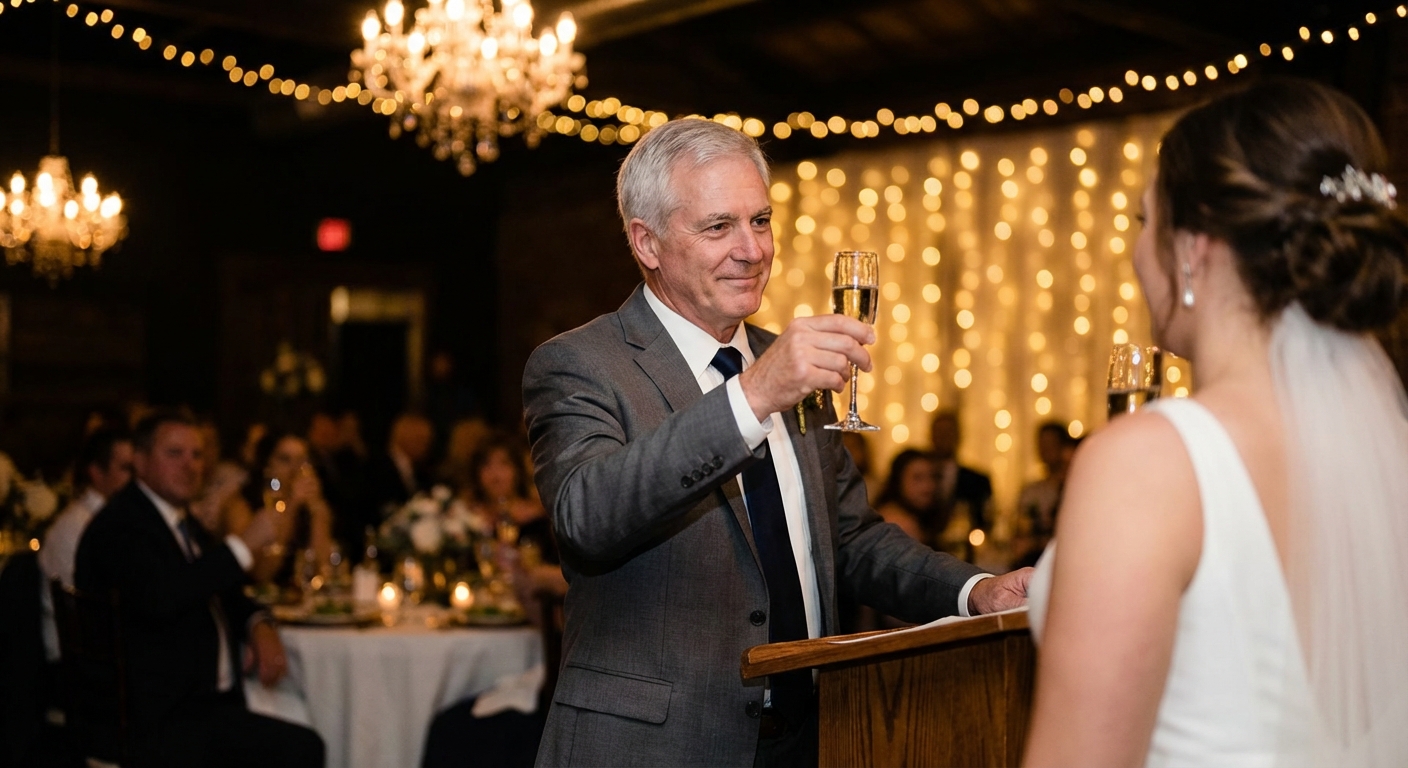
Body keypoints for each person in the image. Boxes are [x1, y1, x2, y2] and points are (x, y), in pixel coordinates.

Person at [522, 118, 1029, 768]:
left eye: (760, 221)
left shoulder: (784, 364)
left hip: (814, 739)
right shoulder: (582, 364)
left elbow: (849, 540)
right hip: (653, 746)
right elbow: (587, 518)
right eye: (718, 227)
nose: (752, 249)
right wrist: (753, 395)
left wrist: (976, 592)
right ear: (646, 242)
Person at [1024, 79, 1408, 766]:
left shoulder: (1148, 463)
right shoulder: (1385, 448)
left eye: (1145, 222)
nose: (1137, 252)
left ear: (1193, 249)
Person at [74, 409, 325, 768]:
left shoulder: (177, 519)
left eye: (197, 454)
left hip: (196, 707)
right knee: (301, 746)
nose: (190, 465)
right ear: (141, 462)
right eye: (174, 454)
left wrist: (258, 622)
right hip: (154, 721)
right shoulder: (121, 526)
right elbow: (165, 596)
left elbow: (222, 588)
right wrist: (243, 545)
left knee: (299, 720)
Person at [38, 426, 133, 659]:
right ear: (96, 473)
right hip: (77, 659)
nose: (135, 479)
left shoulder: (111, 518)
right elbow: (95, 611)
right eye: (126, 469)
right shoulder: (82, 526)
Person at [222, 431, 335, 588]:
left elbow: (321, 570)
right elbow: (262, 574)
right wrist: (291, 506)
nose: (295, 469)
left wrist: (316, 511)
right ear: (267, 464)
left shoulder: (310, 506)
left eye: (302, 460)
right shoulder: (241, 505)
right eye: (285, 459)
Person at [918, 411, 993, 557]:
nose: (943, 437)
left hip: (965, 556)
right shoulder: (918, 474)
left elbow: (985, 521)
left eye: (948, 432)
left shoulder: (978, 480)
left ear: (958, 436)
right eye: (939, 431)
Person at [1009, 421, 1074, 569]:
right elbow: (1019, 529)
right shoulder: (1031, 490)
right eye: (1041, 444)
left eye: (1050, 444)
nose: (1045, 449)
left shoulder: (1075, 487)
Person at [366, 413, 434, 518]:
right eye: (420, 439)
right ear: (404, 437)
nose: (425, 447)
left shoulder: (418, 471)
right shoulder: (379, 467)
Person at [872, 449, 935, 542]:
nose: (927, 486)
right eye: (918, 478)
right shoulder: (896, 524)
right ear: (898, 481)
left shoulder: (916, 517)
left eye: (932, 477)